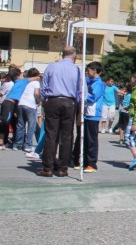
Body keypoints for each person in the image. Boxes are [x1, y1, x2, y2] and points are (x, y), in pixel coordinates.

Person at [37, 46, 85, 178]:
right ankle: (63, 168)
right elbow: (81, 90)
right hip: (69, 102)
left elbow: (43, 86)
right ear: (74, 56)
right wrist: (79, 105)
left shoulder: (52, 67)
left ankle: (48, 167)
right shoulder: (77, 70)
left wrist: (44, 101)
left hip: (53, 100)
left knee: (51, 135)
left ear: (62, 54)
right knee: (67, 136)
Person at [80, 62, 105, 173]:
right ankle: (85, 161)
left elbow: (92, 97)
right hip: (87, 113)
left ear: (94, 71)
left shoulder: (99, 84)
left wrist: (83, 95)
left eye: (88, 70)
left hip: (93, 114)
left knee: (91, 140)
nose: (87, 72)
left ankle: (92, 163)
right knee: (85, 138)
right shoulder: (89, 81)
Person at [14, 68, 41, 153]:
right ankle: (28, 145)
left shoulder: (25, 82)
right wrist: (39, 100)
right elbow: (36, 93)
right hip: (30, 104)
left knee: (20, 124)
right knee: (31, 125)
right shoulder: (36, 82)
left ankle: (18, 144)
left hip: (21, 103)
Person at [0, 67, 21, 150]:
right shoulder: (13, 84)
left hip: (11, 104)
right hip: (9, 104)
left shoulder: (11, 83)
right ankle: (1, 142)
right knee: (5, 123)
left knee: (11, 123)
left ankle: (8, 141)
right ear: (17, 75)